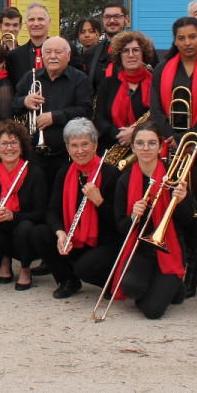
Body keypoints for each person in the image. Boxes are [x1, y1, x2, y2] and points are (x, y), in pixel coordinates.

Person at [149, 16, 197, 296]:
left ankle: (193, 272)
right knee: (173, 209)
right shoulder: (163, 69)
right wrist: (171, 137)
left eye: (192, 37)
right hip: (170, 147)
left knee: (194, 211)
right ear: (175, 41)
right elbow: (155, 110)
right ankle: (175, 266)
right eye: (181, 38)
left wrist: (190, 137)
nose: (187, 43)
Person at [109, 121, 191, 320]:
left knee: (152, 311)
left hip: (170, 247)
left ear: (161, 145)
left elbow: (189, 222)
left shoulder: (174, 175)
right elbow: (120, 226)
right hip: (142, 249)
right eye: (140, 143)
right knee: (131, 287)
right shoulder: (124, 181)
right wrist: (133, 217)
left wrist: (181, 201)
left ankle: (173, 284)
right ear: (132, 147)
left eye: (152, 143)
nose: (146, 148)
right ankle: (165, 285)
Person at [32, 118, 121, 299]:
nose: (80, 151)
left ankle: (111, 281)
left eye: (85, 144)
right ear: (67, 148)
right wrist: (60, 233)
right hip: (74, 238)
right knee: (39, 233)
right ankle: (68, 281)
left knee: (84, 268)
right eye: (74, 145)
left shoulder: (111, 174)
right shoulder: (64, 173)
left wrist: (99, 201)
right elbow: (52, 210)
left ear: (95, 145)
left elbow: (118, 221)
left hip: (103, 241)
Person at [11, 36, 94, 188]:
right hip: (34, 155)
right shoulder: (31, 77)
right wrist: (25, 101)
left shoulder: (80, 79)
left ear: (68, 56)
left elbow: (86, 111)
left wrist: (54, 117)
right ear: (42, 56)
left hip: (66, 155)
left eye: (58, 52)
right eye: (48, 52)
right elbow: (13, 105)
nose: (52, 56)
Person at [0, 121, 47, 290]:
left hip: (25, 228)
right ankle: (3, 260)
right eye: (4, 144)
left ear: (21, 147)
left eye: (14, 143)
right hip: (1, 229)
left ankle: (25, 268)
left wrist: (14, 216)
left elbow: (41, 213)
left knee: (25, 228)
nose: (9, 148)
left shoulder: (34, 173)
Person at [94, 31, 155, 155]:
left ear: (143, 53)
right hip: (113, 146)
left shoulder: (155, 82)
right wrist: (119, 134)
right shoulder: (108, 83)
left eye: (136, 50)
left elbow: (159, 116)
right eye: (126, 51)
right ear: (119, 56)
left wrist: (135, 132)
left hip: (147, 147)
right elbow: (99, 119)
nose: (131, 55)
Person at [85, 1, 131, 90]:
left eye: (117, 16)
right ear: (103, 19)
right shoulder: (91, 54)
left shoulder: (140, 50)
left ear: (126, 19)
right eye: (107, 17)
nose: (112, 21)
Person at [7, 2, 51, 86]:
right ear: (26, 24)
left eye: (40, 19)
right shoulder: (14, 56)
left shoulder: (64, 51)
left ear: (49, 22)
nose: (36, 23)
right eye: (31, 20)